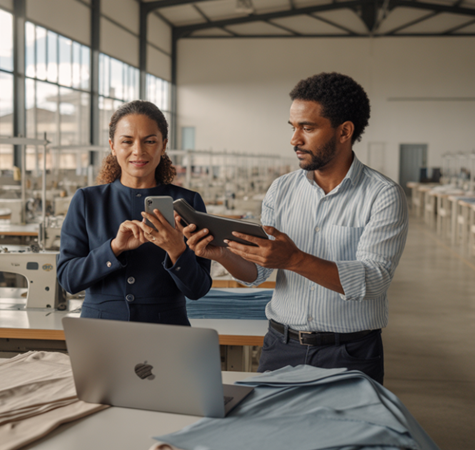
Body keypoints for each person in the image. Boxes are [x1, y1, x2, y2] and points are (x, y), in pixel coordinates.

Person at [183, 72, 408, 384]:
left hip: (349, 352)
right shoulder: (281, 190)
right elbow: (257, 273)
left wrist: (293, 259)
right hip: (281, 346)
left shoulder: (382, 195)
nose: (294, 139)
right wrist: (223, 254)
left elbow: (373, 281)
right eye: (293, 127)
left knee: (344, 435)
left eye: (308, 128)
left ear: (344, 131)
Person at [57, 100, 211, 325]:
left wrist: (177, 251)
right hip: (100, 330)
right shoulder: (87, 200)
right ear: (112, 146)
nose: (138, 151)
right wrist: (114, 248)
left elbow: (198, 289)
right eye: (127, 141)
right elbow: (68, 280)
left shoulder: (188, 202)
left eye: (150, 141)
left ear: (163, 145)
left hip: (166, 330)